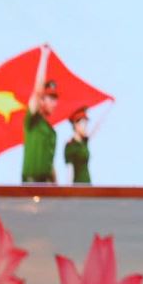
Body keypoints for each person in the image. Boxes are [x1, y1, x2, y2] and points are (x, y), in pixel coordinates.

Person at [21, 44, 59, 184]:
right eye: (51, 98)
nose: (55, 103)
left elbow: (49, 162)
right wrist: (44, 56)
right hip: (31, 184)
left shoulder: (51, 131)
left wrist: (57, 186)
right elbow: (37, 91)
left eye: (55, 99)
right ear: (41, 100)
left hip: (47, 185)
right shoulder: (33, 120)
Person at [64, 107, 92, 185]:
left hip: (88, 185)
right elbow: (69, 170)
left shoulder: (84, 142)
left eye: (86, 124)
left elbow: (96, 128)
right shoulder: (70, 145)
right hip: (78, 187)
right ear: (76, 125)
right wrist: (68, 190)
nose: (86, 127)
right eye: (83, 123)